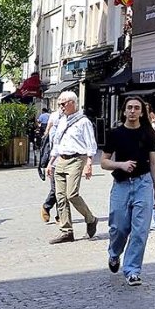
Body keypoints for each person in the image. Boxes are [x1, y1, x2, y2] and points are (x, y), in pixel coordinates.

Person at [100, 96, 155, 286]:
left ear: (142, 112)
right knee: (119, 227)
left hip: (143, 184)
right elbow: (103, 162)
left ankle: (132, 270)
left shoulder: (148, 133)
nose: (133, 111)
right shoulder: (115, 134)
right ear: (124, 111)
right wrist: (121, 165)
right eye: (129, 108)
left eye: (136, 108)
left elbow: (154, 163)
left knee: (140, 230)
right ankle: (114, 253)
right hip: (122, 185)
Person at [43, 91, 99, 243]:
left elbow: (90, 144)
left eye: (63, 103)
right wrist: (50, 163)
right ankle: (66, 231)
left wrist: (89, 164)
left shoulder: (83, 122)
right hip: (60, 159)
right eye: (59, 104)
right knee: (60, 197)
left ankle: (90, 218)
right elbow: (57, 143)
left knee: (72, 194)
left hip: (76, 159)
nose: (60, 106)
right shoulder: (61, 120)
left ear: (73, 103)